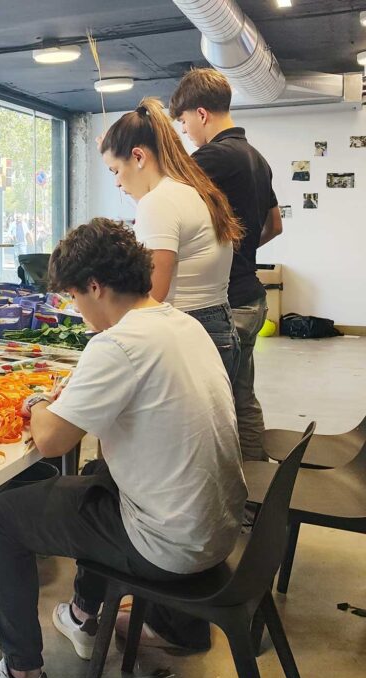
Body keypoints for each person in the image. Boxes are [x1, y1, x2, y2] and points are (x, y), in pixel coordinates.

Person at [0, 219, 245, 678]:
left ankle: (21, 676)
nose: (78, 310)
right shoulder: (183, 323)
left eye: (75, 297)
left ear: (95, 286)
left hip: (170, 546)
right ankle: (82, 614)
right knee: (98, 473)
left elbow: (53, 441)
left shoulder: (117, 343)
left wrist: (36, 404)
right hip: (218, 532)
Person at [170, 68, 282, 461]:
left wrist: (220, 255)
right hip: (252, 294)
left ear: (201, 114)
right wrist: (239, 247)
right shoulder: (257, 159)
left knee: (209, 407)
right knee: (241, 395)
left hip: (229, 301)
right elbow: (275, 225)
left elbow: (166, 202)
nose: (185, 131)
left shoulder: (212, 157)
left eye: (183, 122)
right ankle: (257, 480)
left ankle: (227, 500)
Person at [99, 98, 243, 382]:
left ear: (139, 157)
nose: (116, 183)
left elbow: (153, 292)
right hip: (216, 322)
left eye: (115, 170)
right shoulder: (190, 189)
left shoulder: (159, 202)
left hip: (192, 325)